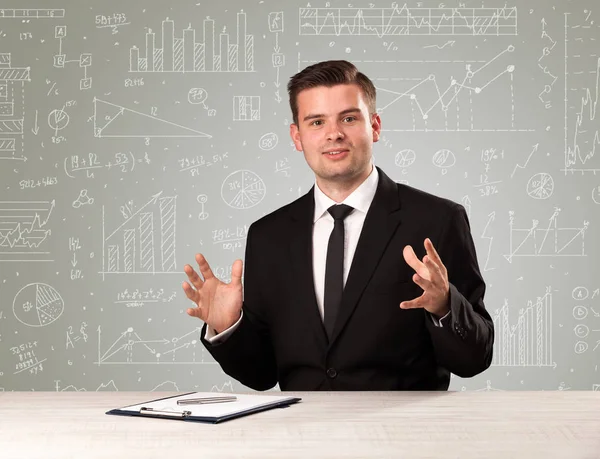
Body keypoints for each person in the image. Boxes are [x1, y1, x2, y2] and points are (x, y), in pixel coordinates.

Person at [182, 60, 494, 391]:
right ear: (297, 136)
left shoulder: (438, 220)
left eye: (349, 118)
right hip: (300, 434)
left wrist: (445, 306)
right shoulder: (267, 236)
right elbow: (261, 375)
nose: (334, 133)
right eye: (317, 122)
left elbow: (475, 359)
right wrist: (230, 326)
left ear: (374, 126)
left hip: (402, 434)